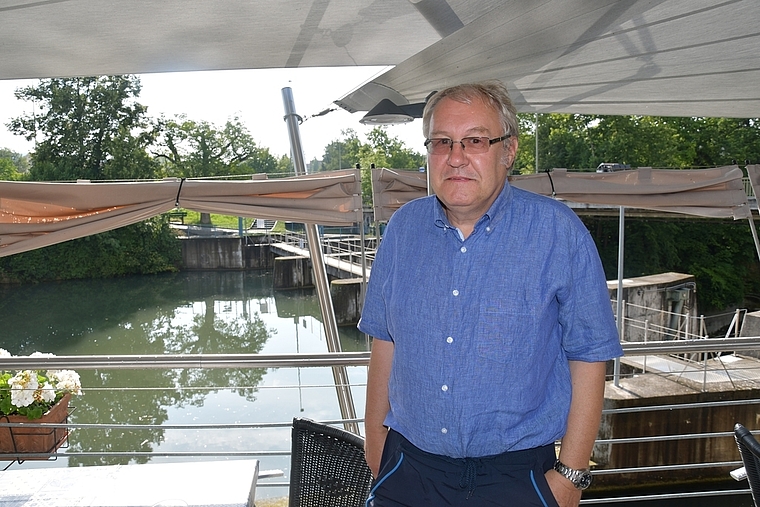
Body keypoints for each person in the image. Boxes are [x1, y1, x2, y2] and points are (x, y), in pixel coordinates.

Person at [357, 81, 623, 507]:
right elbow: (384, 341)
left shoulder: (558, 232)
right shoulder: (402, 230)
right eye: (442, 142)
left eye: (475, 141)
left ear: (509, 150)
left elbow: (590, 355)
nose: (455, 157)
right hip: (408, 471)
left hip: (517, 478)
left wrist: (570, 476)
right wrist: (375, 448)